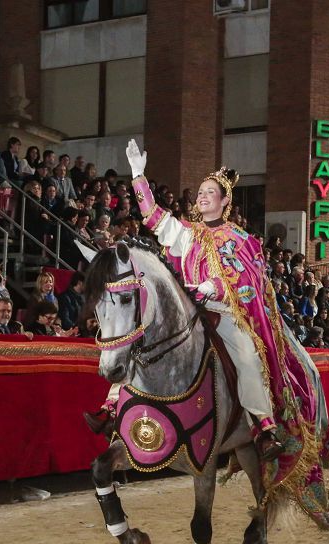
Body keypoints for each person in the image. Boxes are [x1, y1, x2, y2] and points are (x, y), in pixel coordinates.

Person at [89, 139, 297, 460]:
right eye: (200, 191)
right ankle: (113, 407)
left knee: (245, 356)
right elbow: (153, 217)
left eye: (209, 192)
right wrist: (137, 174)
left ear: (224, 200)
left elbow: (248, 280)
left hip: (221, 312)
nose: (201, 195)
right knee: (139, 341)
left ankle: (262, 426)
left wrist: (216, 285)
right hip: (187, 308)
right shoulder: (187, 232)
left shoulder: (241, 240)